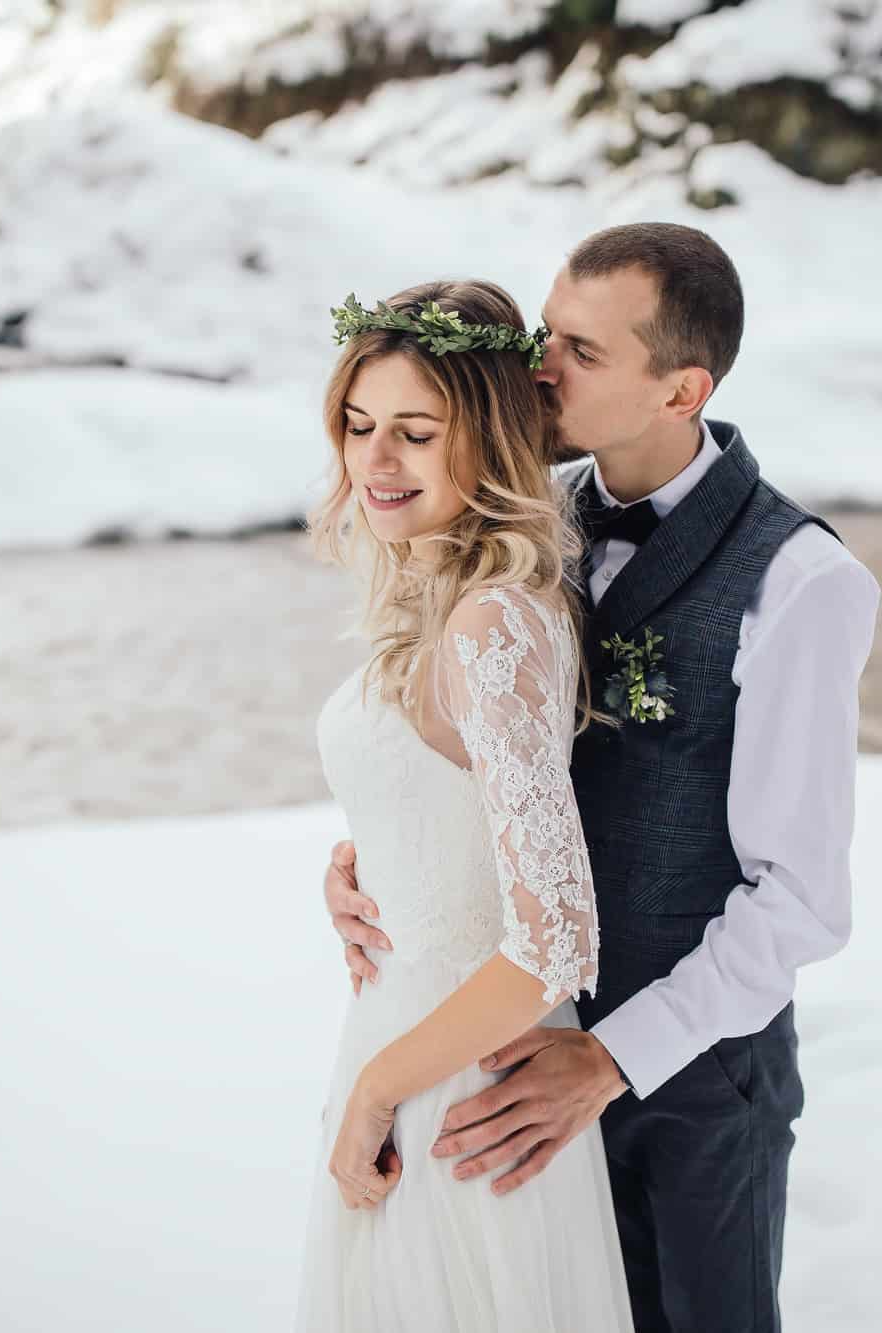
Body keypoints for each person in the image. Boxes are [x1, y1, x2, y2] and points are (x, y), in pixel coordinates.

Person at [321, 224, 882, 1332]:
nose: (537, 367)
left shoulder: (802, 581)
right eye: (544, 331)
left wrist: (611, 1058)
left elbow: (801, 900)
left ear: (681, 387)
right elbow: (464, 756)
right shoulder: (516, 512)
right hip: (492, 1055)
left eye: (578, 350)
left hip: (689, 1084)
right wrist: (372, 860)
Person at [293, 279, 636, 1331]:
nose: (374, 462)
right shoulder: (439, 585)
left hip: (460, 1089)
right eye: (357, 426)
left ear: (482, 440)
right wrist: (360, 862)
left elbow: (552, 940)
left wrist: (376, 1093)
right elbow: (446, 802)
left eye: (412, 432)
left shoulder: (490, 622)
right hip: (410, 1034)